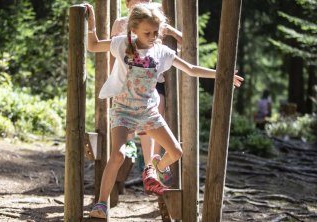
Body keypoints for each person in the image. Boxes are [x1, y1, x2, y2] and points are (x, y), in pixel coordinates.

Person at [85, 3, 243, 218]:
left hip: (149, 112)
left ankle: (157, 167)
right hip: (123, 110)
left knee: (176, 152)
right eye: (147, 32)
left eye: (155, 32)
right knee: (117, 155)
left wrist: (221, 74)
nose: (152, 36)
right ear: (134, 30)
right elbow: (93, 46)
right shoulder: (121, 44)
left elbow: (191, 69)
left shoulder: (162, 52)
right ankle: (101, 204)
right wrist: (91, 22)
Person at [110, 0, 183, 195]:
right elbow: (111, 51)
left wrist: (174, 34)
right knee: (128, 131)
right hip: (129, 81)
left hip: (153, 76)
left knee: (154, 112)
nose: (143, 1)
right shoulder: (122, 23)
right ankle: (138, 155)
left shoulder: (154, 20)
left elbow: (178, 37)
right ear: (127, 3)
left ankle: (151, 164)